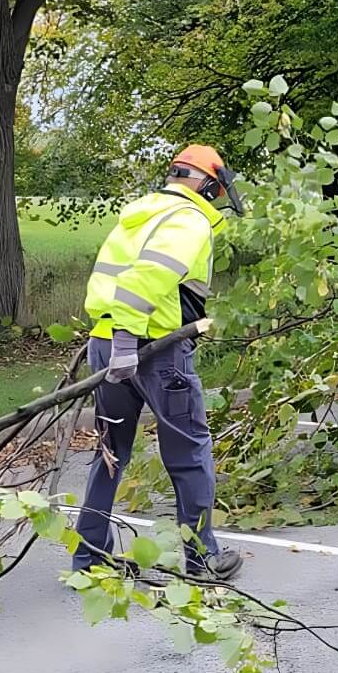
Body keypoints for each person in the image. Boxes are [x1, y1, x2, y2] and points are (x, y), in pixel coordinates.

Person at [73, 145, 246, 576]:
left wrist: (115, 339)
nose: (215, 200)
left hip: (105, 343)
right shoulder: (188, 220)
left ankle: (89, 558)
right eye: (215, 191)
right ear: (206, 183)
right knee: (189, 451)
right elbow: (146, 279)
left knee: (109, 453)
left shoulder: (138, 215)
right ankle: (203, 558)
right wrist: (129, 339)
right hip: (155, 351)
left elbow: (105, 284)